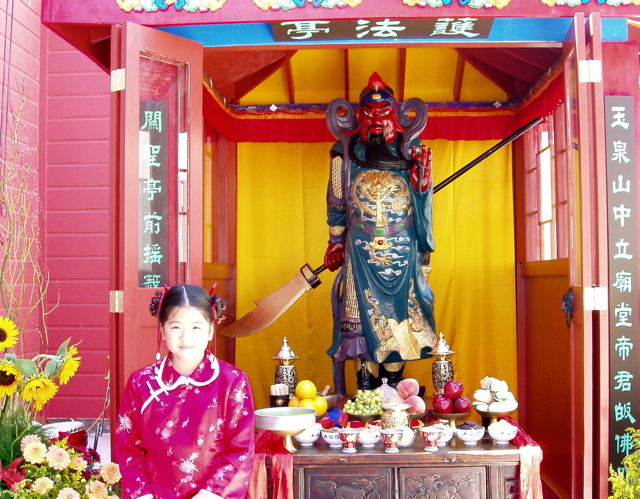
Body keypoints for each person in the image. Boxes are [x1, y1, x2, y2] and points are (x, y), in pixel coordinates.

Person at [324, 72, 437, 394]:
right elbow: (336, 199)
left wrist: (423, 182)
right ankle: (366, 390)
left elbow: (422, 198)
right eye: (368, 111)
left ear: (396, 114)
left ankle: (395, 389)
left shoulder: (412, 149)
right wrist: (334, 241)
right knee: (358, 319)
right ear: (358, 114)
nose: (376, 118)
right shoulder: (343, 153)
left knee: (399, 315)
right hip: (359, 249)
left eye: (383, 110)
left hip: (402, 249)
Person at [115, 284, 255, 499]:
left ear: (210, 330)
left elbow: (241, 450)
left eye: (196, 327)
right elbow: (128, 448)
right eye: (176, 327)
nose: (186, 338)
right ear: (162, 329)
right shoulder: (141, 382)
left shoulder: (233, 382)